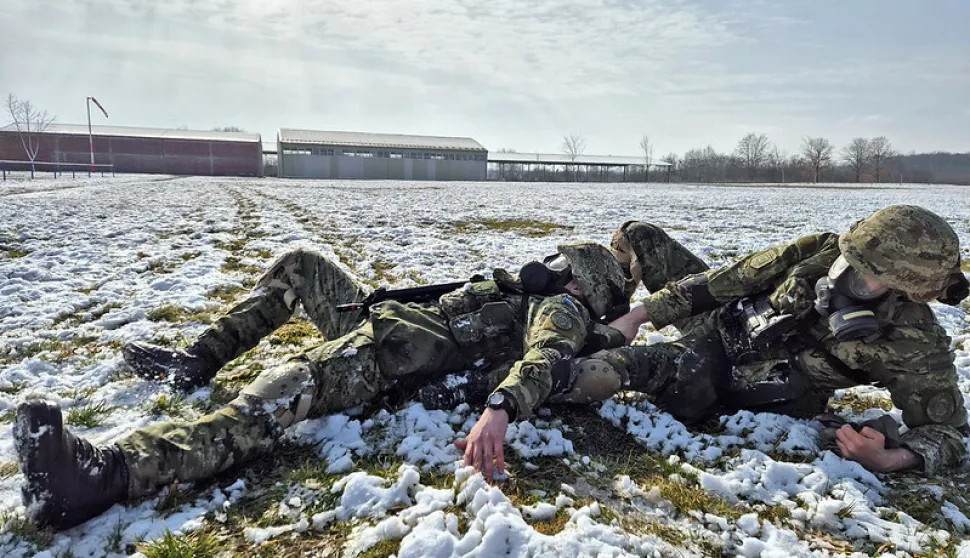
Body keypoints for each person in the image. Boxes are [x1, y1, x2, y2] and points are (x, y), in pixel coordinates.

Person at [13, 241, 636, 529]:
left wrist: (500, 407)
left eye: (561, 263)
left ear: (581, 282)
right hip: (377, 322)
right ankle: (196, 362)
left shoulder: (564, 309)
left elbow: (548, 357)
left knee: (280, 392)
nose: (547, 265)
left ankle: (106, 477)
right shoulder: (530, 292)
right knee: (299, 268)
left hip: (385, 356)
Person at [461, 205, 969, 478]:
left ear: (905, 292)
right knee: (640, 235)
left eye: (867, 279)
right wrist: (638, 313)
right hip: (724, 324)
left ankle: (484, 381)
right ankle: (587, 311)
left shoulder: (913, 343)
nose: (846, 278)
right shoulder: (819, 251)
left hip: (723, 380)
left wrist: (890, 459)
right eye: (850, 261)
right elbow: (723, 282)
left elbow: (950, 434)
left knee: (607, 368)